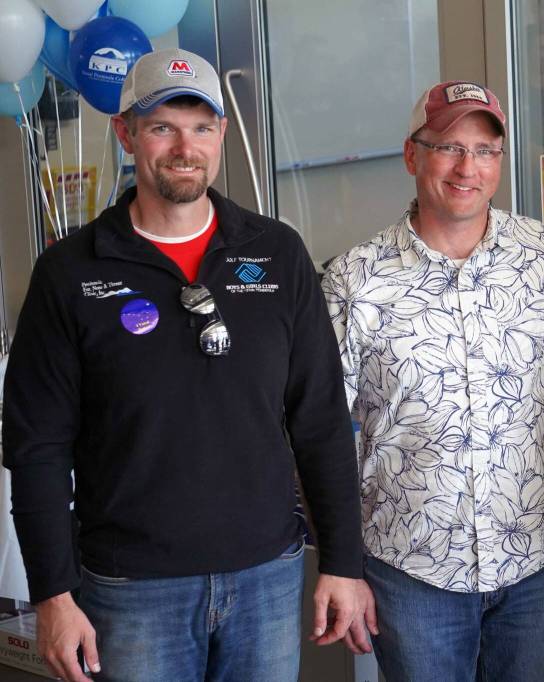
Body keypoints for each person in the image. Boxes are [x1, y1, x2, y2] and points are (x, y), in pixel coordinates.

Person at [1, 48, 374, 682]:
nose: (185, 146)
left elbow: (320, 422)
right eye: (162, 127)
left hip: (265, 575)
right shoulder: (71, 272)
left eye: (202, 127)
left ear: (222, 134)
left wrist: (342, 561)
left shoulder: (276, 253)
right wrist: (53, 595)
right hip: (131, 586)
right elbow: (36, 448)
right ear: (126, 133)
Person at [321, 81, 544, 681]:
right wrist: (339, 564)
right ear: (412, 155)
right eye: (448, 146)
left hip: (537, 562)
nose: (467, 167)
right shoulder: (355, 280)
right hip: (411, 571)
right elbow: (319, 436)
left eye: (485, 150)